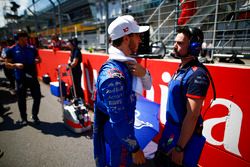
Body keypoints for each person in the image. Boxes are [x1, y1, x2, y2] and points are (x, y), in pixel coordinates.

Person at [93, 15, 152, 167]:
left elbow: (148, 85)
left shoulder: (128, 64)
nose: (140, 40)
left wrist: (144, 73)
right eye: (137, 35)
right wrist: (135, 148)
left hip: (123, 135)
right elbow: (118, 121)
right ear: (126, 38)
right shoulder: (113, 75)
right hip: (118, 140)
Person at [156, 26, 210, 167]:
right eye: (175, 42)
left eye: (180, 43)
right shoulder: (183, 68)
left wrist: (180, 148)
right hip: (171, 131)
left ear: (194, 47)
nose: (175, 46)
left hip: (181, 139)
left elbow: (192, 116)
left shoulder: (198, 75)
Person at [5, 30, 42, 125]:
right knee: (21, 99)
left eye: (26, 39)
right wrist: (15, 65)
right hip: (20, 77)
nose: (25, 41)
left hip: (33, 76)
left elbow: (39, 59)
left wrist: (37, 60)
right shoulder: (11, 50)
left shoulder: (32, 48)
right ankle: (23, 118)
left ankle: (34, 115)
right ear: (17, 40)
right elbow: (7, 64)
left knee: (37, 97)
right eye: (22, 40)